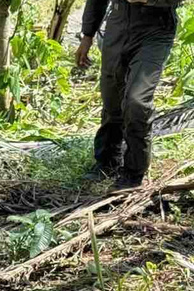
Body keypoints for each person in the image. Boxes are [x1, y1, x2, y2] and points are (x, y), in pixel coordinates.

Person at [76, 0, 181, 189]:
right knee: (112, 97)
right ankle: (107, 160)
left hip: (156, 30)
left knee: (137, 101)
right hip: (118, 25)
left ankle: (134, 172)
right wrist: (87, 35)